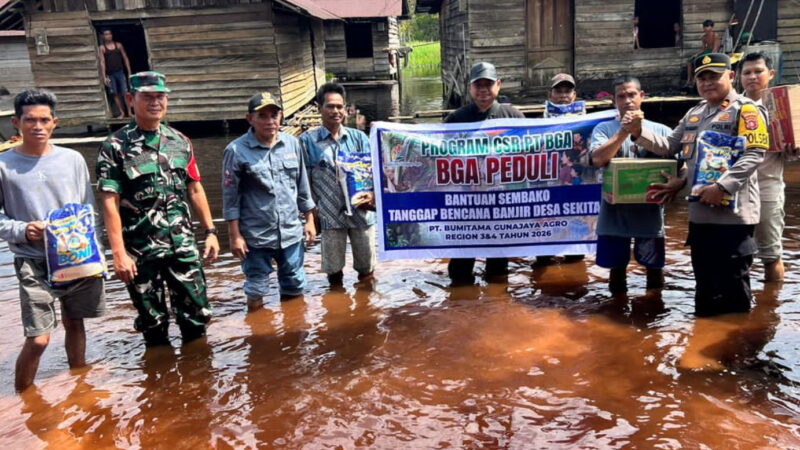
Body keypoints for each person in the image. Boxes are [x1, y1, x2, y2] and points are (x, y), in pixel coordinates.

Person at [626, 53, 769, 316]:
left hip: (732, 220)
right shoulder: (694, 114)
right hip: (700, 218)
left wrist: (722, 187)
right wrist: (637, 131)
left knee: (734, 293)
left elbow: (754, 154)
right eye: (701, 78)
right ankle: (704, 347)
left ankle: (738, 351)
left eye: (713, 76)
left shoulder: (746, 110)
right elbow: (669, 146)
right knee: (704, 290)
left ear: (731, 76)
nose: (706, 83)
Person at [96, 72, 219, 346]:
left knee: (197, 316)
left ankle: (198, 382)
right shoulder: (115, 146)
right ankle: (158, 383)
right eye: (147, 97)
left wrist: (210, 231)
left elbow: (195, 189)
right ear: (130, 99)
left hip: (182, 246)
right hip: (140, 251)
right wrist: (118, 254)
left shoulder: (180, 141)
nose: (155, 102)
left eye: (160, 96)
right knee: (153, 324)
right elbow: (108, 202)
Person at [2, 89, 106, 391]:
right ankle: (21, 400)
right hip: (33, 261)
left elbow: (88, 208)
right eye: (30, 120)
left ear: (55, 122)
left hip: (76, 257)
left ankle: (80, 386)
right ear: (16, 123)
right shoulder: (4, 165)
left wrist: (97, 254)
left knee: (75, 323)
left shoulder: (72, 160)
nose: (38, 126)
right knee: (38, 338)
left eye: (44, 120)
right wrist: (22, 230)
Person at [222, 92, 316, 311]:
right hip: (256, 235)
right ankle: (257, 334)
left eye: (274, 115)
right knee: (256, 287)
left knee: (294, 283)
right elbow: (230, 198)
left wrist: (310, 220)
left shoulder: (292, 144)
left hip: (291, 232)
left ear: (281, 117)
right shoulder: (236, 151)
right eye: (262, 116)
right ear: (250, 119)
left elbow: (303, 186)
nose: (270, 121)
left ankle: (294, 333)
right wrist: (234, 236)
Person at [589, 76, 678, 294]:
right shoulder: (603, 129)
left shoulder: (663, 131)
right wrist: (623, 132)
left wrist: (679, 183)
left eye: (632, 95)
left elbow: (678, 165)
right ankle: (616, 316)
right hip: (614, 215)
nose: (627, 100)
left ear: (642, 97)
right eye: (621, 96)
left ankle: (654, 314)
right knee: (616, 272)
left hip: (650, 215)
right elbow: (598, 159)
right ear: (614, 101)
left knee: (654, 270)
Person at [443, 62, 524, 284]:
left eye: (488, 84)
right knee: (460, 266)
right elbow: (437, 153)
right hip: (466, 203)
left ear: (498, 85)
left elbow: (532, 153)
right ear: (470, 88)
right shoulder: (456, 119)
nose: (483, 90)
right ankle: (462, 304)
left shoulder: (513, 116)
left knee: (498, 268)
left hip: (501, 203)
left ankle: (495, 308)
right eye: (478, 85)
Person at [300, 83, 375, 286]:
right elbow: (303, 181)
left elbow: (372, 174)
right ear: (319, 108)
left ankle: (366, 310)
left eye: (339, 107)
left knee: (367, 269)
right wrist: (310, 214)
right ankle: (335, 309)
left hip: (362, 212)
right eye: (330, 106)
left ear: (345, 108)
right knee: (333, 273)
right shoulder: (307, 141)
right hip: (329, 214)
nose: (336, 111)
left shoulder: (359, 138)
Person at [740, 52, 798, 282]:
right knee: (737, 253)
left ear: (771, 74)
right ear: (738, 76)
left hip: (767, 188)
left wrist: (794, 150)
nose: (752, 77)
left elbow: (792, 149)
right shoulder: (732, 106)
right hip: (736, 191)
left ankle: (770, 310)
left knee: (771, 254)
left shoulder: (782, 109)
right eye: (747, 72)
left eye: (758, 71)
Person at [98, 29, 133, 119]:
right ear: (103, 36)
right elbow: (102, 62)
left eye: (109, 34)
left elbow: (125, 58)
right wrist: (104, 76)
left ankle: (129, 112)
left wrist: (129, 72)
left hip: (120, 72)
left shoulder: (118, 45)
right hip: (110, 74)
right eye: (106, 34)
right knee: (115, 93)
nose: (108, 36)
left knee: (125, 92)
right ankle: (122, 113)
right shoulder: (102, 48)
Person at [686, 20, 719, 85]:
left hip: (712, 52)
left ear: (711, 27)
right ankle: (689, 80)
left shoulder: (715, 35)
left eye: (707, 26)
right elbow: (703, 49)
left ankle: (695, 80)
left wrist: (710, 56)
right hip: (706, 51)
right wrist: (696, 54)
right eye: (705, 27)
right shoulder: (704, 37)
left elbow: (715, 48)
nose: (706, 28)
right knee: (690, 61)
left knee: (699, 61)